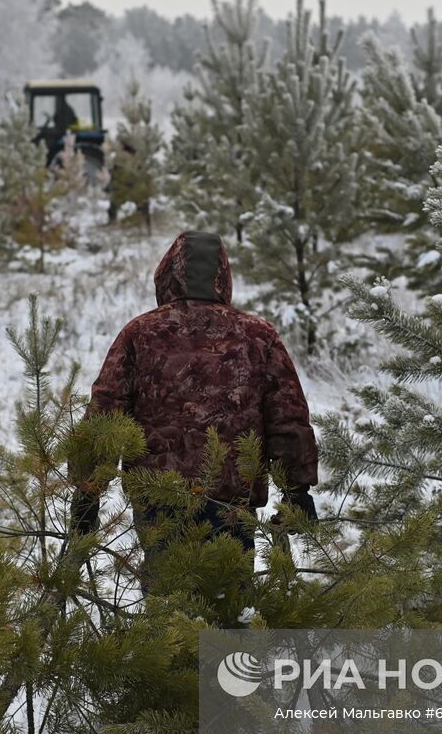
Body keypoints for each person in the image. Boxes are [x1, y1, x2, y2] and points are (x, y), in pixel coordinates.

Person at [71, 231, 319, 588]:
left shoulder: (140, 333)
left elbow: (106, 414)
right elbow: (287, 417)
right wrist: (297, 490)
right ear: (223, 275)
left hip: (159, 497)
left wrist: (87, 491)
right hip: (232, 499)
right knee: (229, 607)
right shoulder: (258, 335)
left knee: (167, 609)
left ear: (168, 273)